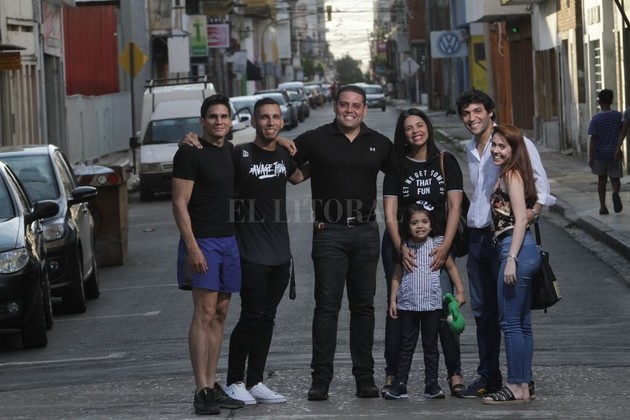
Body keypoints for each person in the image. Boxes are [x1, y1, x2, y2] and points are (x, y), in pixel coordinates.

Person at [290, 84, 392, 401]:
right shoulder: (315, 139)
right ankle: (320, 380)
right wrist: (278, 142)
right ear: (335, 106)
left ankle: (365, 378)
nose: (350, 110)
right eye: (345, 104)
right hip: (328, 232)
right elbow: (286, 166)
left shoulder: (379, 143)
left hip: (366, 232)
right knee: (327, 307)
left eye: (356, 105)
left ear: (364, 109)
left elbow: (405, 173)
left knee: (363, 307)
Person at [455, 89, 554, 398]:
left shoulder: (513, 142)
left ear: (490, 112)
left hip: (507, 238)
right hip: (479, 237)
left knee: (512, 314)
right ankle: (490, 376)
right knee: (483, 312)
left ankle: (522, 380)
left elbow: (541, 185)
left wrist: (530, 214)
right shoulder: (470, 148)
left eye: (477, 111)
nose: (472, 118)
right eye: (466, 113)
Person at [221, 98, 309, 405]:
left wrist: (333, 155)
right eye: (264, 117)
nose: (270, 122)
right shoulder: (240, 154)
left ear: (281, 122)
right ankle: (234, 382)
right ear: (254, 122)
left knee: (268, 318)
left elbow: (299, 176)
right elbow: (211, 157)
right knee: (250, 317)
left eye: (275, 117)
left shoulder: (284, 155)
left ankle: (255, 381)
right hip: (250, 252)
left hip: (280, 254)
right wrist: (189, 141)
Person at [381, 108, 467, 398]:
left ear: (428, 127)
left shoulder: (445, 160)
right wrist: (400, 247)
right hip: (401, 245)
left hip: (437, 245)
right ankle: (393, 374)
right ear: (403, 134)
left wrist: (446, 245)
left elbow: (454, 206)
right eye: (409, 128)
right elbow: (390, 212)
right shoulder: (396, 165)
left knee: (443, 307)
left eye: (420, 125)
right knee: (398, 307)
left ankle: (454, 373)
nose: (415, 131)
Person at [171, 94, 245, 415]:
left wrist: (283, 139)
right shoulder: (189, 153)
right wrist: (192, 246)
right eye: (213, 117)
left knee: (220, 313)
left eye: (224, 116)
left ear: (230, 121)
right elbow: (179, 203)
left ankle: (212, 384)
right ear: (202, 121)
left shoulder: (231, 151)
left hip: (229, 240)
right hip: (203, 242)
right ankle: (201, 389)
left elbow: (263, 145)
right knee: (204, 313)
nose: (219, 121)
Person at [482, 124, 542, 404]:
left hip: (515, 249)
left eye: (502, 146)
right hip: (519, 250)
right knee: (522, 323)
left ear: (514, 149)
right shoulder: (509, 173)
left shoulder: (511, 175)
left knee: (509, 322)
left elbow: (520, 220)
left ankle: (516, 384)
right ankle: (523, 385)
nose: (495, 150)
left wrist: (511, 260)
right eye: (494, 145)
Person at [383, 204, 466, 400]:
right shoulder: (404, 248)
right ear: (407, 226)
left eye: (424, 222)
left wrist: (460, 291)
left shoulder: (438, 244)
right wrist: (393, 300)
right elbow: (396, 275)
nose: (420, 226)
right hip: (408, 306)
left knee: (431, 347)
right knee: (406, 347)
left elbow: (452, 268)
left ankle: (432, 384)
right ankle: (400, 383)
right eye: (414, 223)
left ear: (431, 224)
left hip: (432, 306)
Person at [588, 88, 623, 214]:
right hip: (614, 153)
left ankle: (603, 207)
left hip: (600, 154)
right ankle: (615, 193)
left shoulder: (596, 118)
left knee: (601, 180)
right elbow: (622, 132)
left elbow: (593, 139)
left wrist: (590, 156)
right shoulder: (618, 116)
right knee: (615, 178)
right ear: (612, 101)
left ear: (599, 102)